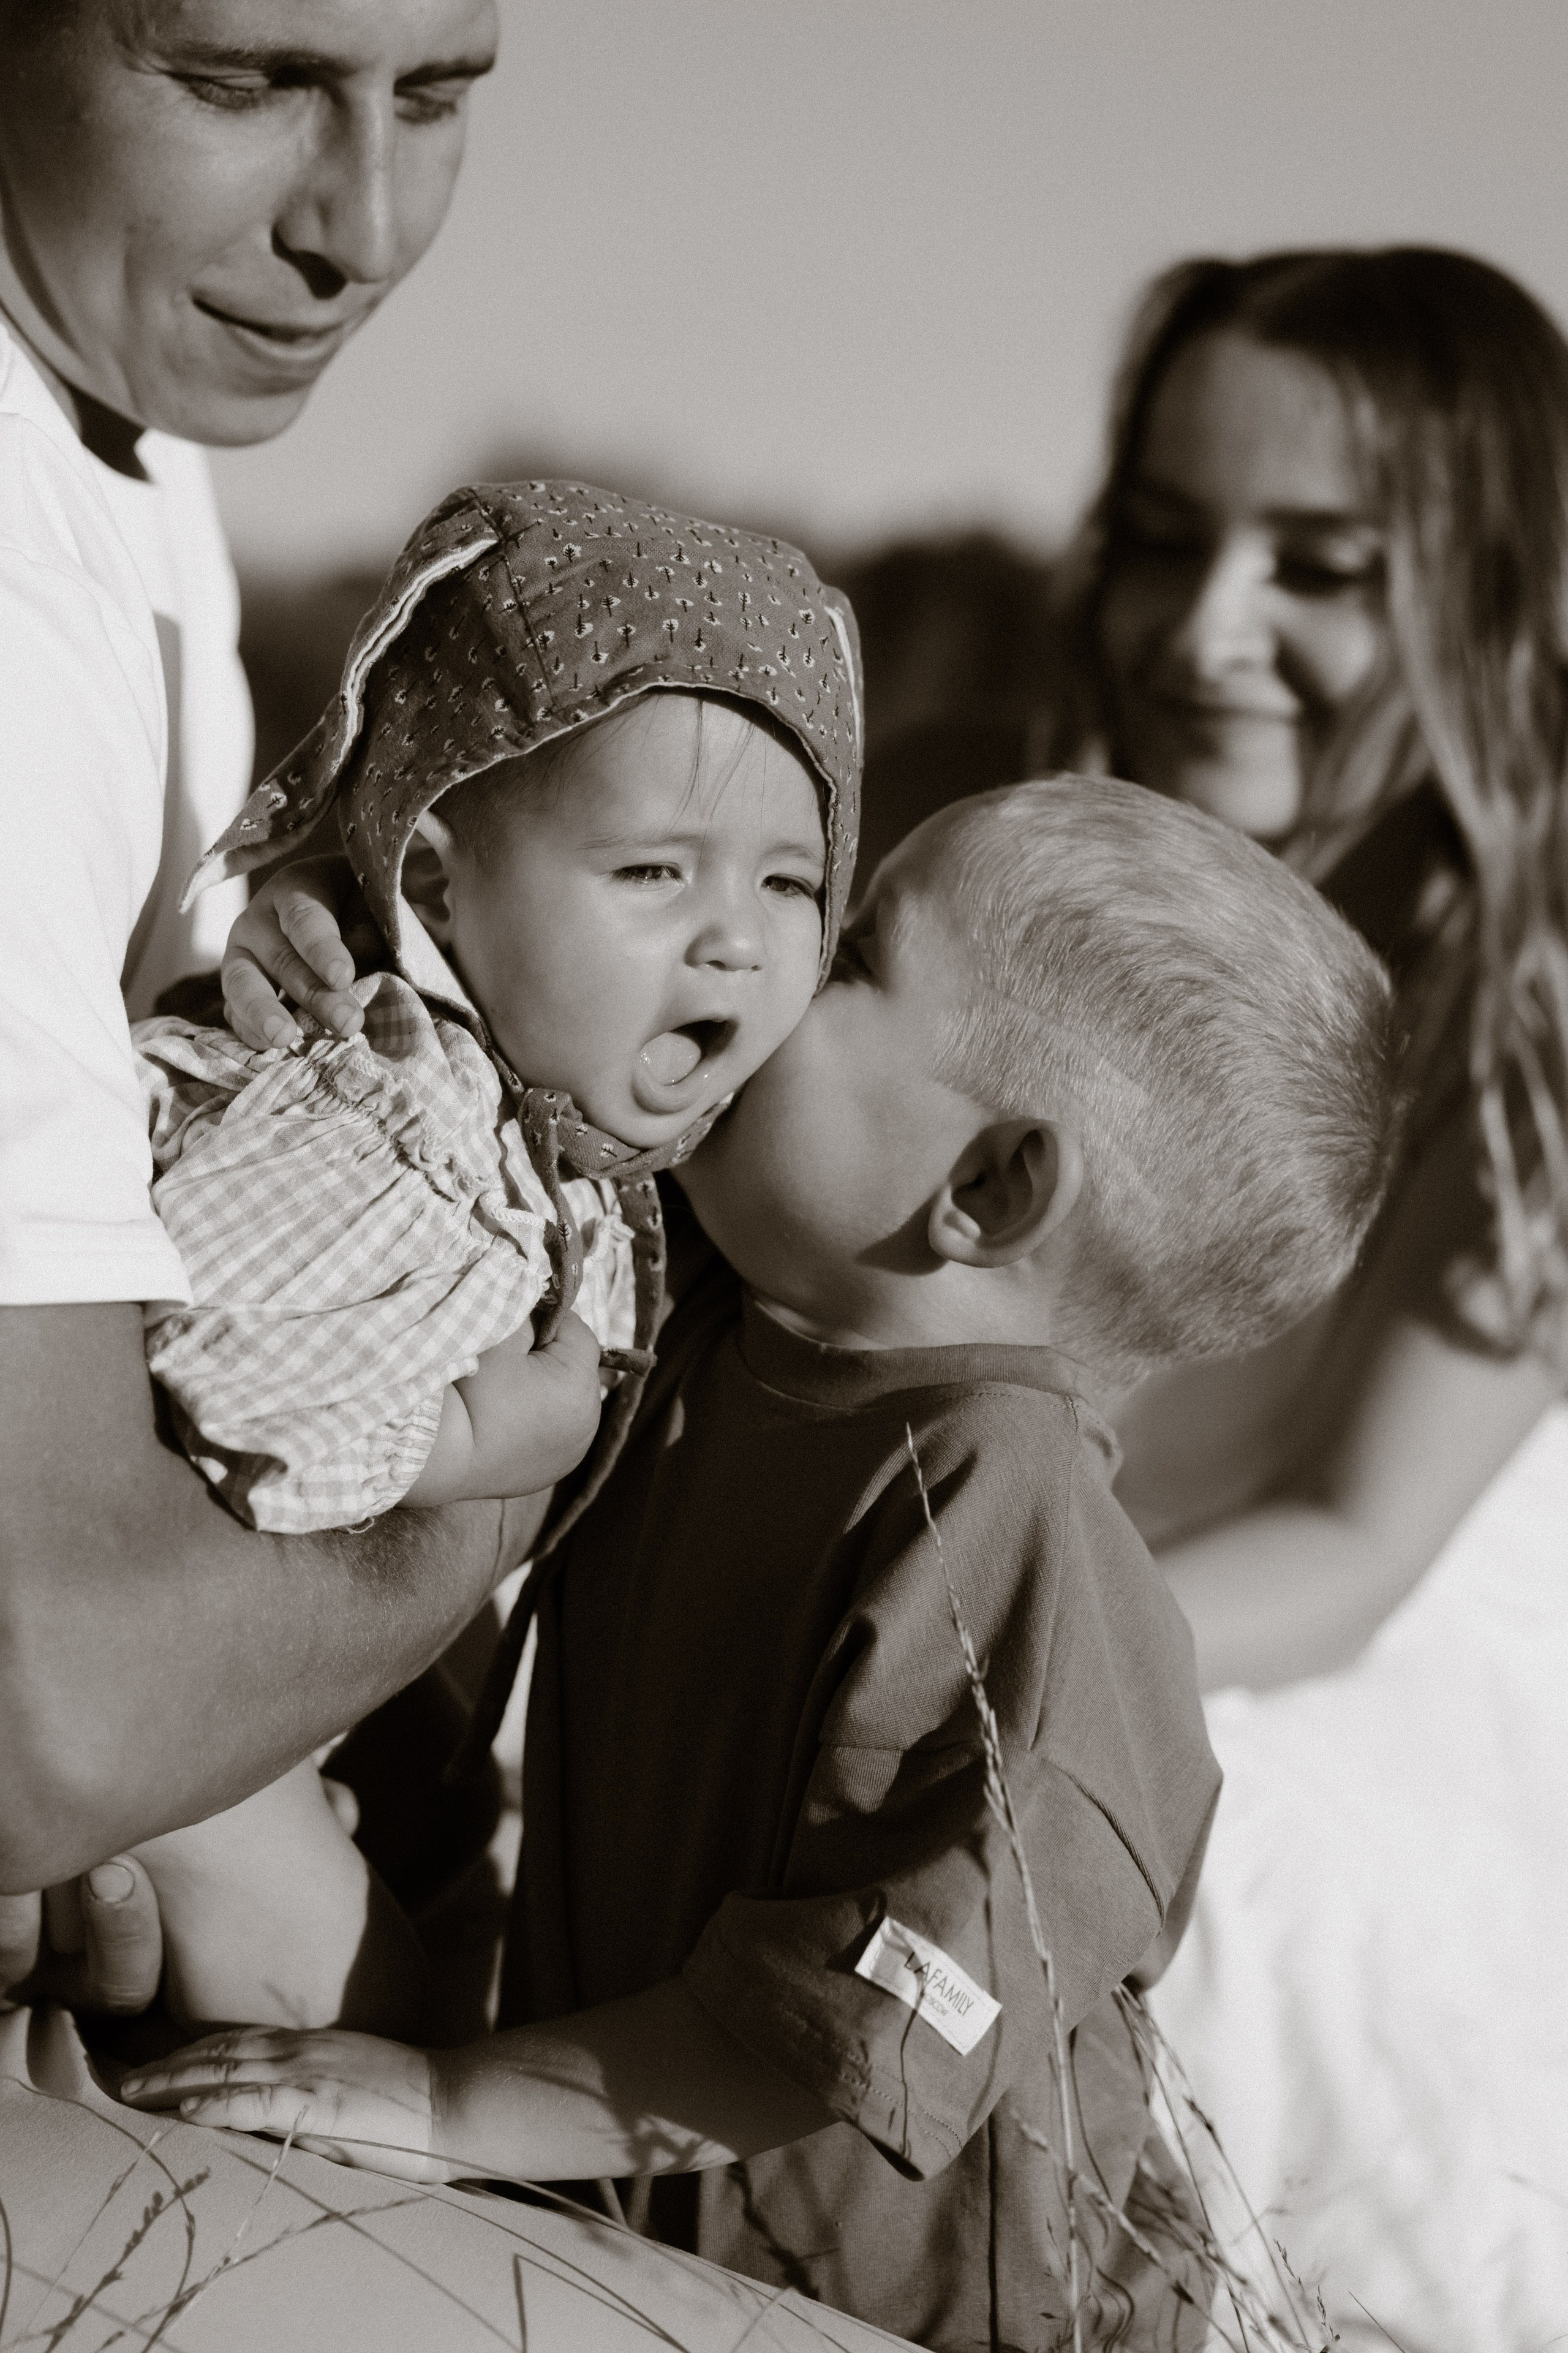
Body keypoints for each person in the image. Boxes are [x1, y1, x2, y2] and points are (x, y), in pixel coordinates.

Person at [123, 775, 1403, 2353]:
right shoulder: (723, 1311)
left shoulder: (1015, 1550)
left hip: (894, 2321)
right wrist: (340, 955)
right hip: (627, 2227)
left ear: (988, 1189)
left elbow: (841, 2025)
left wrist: (454, 2106)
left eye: (848, 951)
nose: (765, 965)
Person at [858, 246, 1568, 2345]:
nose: (1205, 628)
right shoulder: (1010, 856)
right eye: (1163, 541)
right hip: (1030, 1549)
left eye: (1321, 567)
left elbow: (1353, 1548)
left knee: (1152, 1894)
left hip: (1326, 1637)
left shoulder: (1531, 981)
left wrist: (944, 1672)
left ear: (1499, 584)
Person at [121, 477, 860, 2031]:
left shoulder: (590, 1117)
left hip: (320, 1699)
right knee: (362, 1992)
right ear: (441, 884)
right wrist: (466, 1440)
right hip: (148, 1696)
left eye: (789, 883)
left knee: (453, 1904)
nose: (734, 937)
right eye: (654, 871)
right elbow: (220, 1375)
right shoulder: (384, 1115)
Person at [0, 0, 516, 2012]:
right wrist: (527, 1448)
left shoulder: (113, 434)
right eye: (238, 83)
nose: (363, 223)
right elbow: (51, 1698)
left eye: (444, 92)